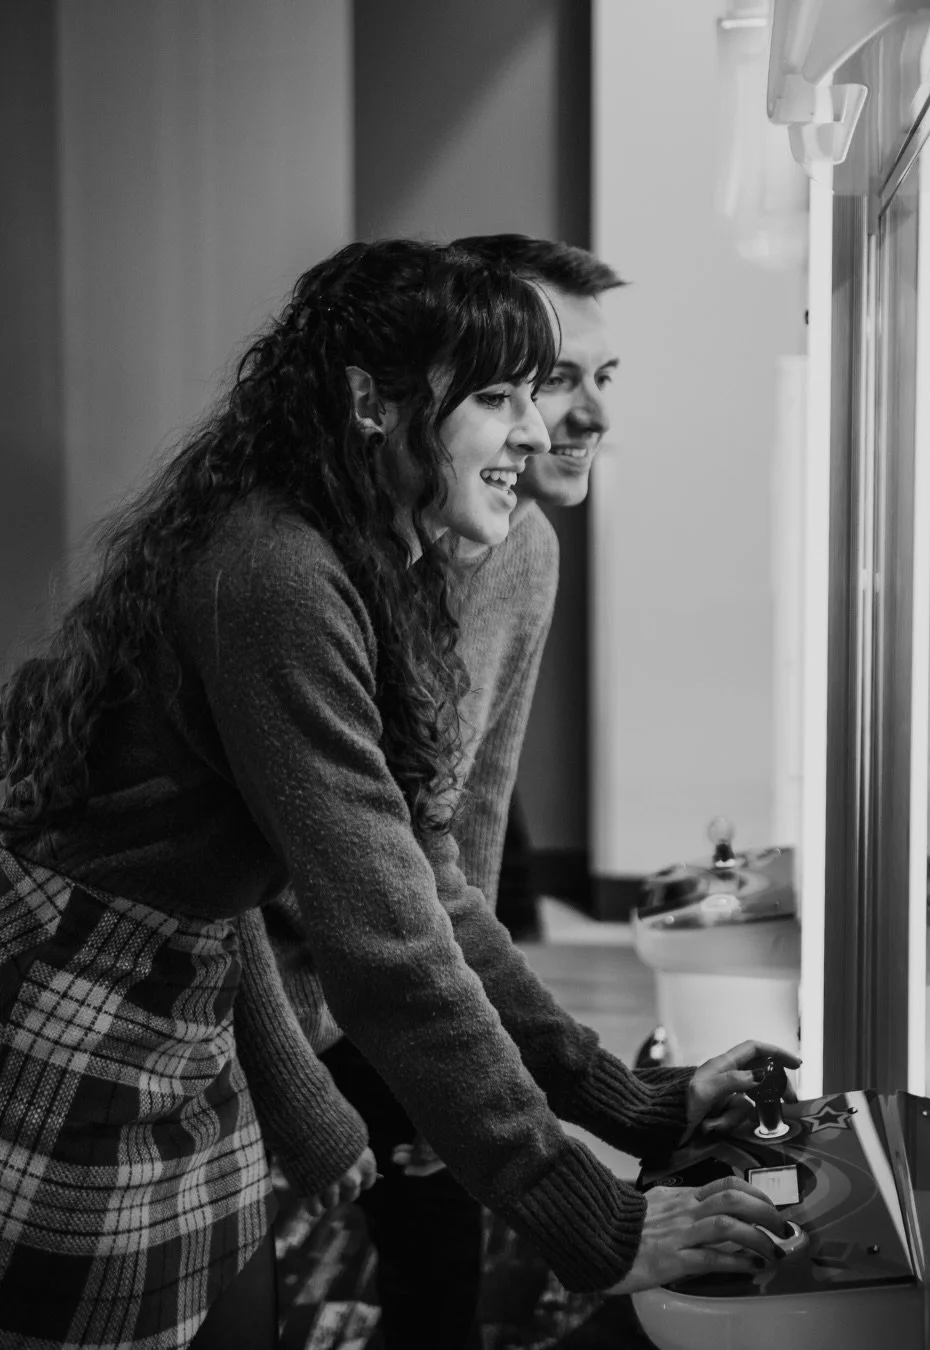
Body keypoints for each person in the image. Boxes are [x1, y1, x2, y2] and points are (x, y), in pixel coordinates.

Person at [0, 238, 793, 1350]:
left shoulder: (378, 562)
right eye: (495, 396)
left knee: (229, 1307)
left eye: (540, 391)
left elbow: (434, 890)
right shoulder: (276, 570)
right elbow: (386, 939)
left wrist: (629, 1105)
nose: (537, 430)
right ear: (371, 403)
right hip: (75, 989)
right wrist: (597, 1222)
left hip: (188, 977)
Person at [250, 236, 800, 1349]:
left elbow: (454, 837)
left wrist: (589, 1086)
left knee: (437, 1253)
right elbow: (285, 889)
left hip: (397, 951)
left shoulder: (518, 550)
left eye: (599, 380)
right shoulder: (300, 573)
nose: (572, 422)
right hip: (250, 991)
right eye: (535, 384)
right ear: (403, 400)